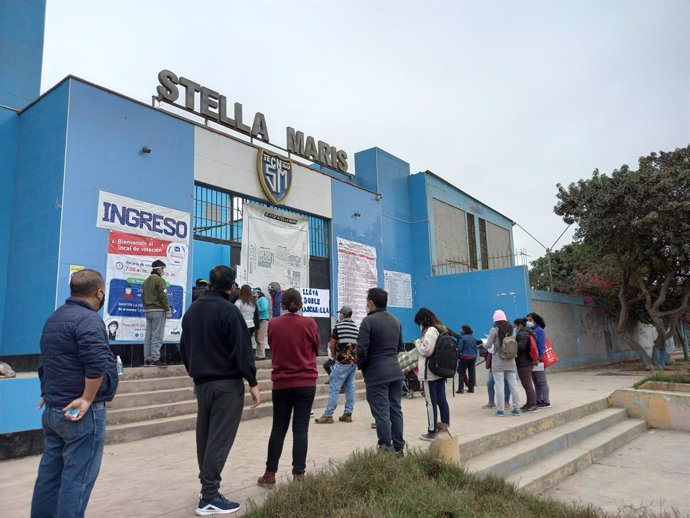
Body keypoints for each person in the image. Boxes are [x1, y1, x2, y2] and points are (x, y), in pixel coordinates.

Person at [31, 269, 119, 518]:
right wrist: (88, 398)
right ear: (99, 292)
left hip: (54, 408)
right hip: (81, 414)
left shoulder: (55, 318)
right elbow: (96, 363)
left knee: (50, 476)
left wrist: (48, 390)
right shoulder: (89, 320)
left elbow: (48, 359)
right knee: (76, 480)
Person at [180, 265, 260, 516]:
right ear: (232, 287)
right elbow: (242, 350)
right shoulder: (229, 311)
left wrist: (194, 372)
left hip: (202, 383)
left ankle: (207, 490)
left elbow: (184, 347)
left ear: (210, 284)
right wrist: (253, 381)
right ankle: (210, 496)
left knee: (204, 437)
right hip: (226, 384)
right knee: (219, 438)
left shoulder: (192, 311)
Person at [257, 288, 320, 488]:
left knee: (278, 429)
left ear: (281, 305)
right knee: (300, 430)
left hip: (282, 383)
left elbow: (273, 345)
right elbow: (316, 348)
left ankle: (269, 474)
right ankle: (298, 475)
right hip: (306, 382)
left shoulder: (273, 324)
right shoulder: (310, 323)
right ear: (301, 304)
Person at [357, 287, 405, 455]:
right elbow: (400, 347)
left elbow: (361, 350)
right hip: (395, 371)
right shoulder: (396, 321)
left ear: (371, 302)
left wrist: (362, 367)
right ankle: (399, 448)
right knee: (395, 410)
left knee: (381, 414)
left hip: (377, 373)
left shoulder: (367, 322)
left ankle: (386, 449)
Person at [315, 306, 359, 424]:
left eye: (340, 314)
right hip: (353, 363)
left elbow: (332, 345)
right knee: (350, 387)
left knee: (334, 388)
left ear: (342, 315)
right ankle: (348, 414)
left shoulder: (338, 327)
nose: (339, 315)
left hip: (341, 362)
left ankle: (328, 415)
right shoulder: (356, 328)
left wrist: (334, 357)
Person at [414, 308, 451, 441]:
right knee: (442, 400)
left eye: (419, 322)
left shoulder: (430, 331)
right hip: (439, 371)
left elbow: (426, 350)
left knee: (430, 402)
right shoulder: (440, 329)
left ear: (423, 320)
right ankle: (446, 427)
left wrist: (417, 342)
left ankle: (432, 431)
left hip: (430, 373)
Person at [486, 309, 521, 416]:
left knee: (499, 386)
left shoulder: (494, 330)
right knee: (513, 385)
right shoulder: (512, 330)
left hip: (498, 362)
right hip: (510, 360)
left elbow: (488, 345)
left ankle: (500, 410)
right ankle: (516, 409)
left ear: (495, 320)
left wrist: (483, 345)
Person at [142, 259, 170, 367]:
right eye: (162, 269)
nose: (163, 271)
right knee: (157, 335)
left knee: (148, 335)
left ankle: (147, 360)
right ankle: (155, 359)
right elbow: (163, 296)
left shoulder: (146, 281)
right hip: (158, 311)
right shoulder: (160, 280)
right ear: (158, 269)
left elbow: (143, 296)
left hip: (148, 311)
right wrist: (167, 310)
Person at [527, 312, 552, 408]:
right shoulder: (531, 331)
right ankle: (539, 399)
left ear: (535, 321)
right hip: (533, 360)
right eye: (528, 320)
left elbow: (541, 346)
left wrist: (538, 358)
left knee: (541, 381)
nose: (529, 322)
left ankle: (546, 401)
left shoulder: (539, 331)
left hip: (539, 360)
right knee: (536, 381)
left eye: (530, 320)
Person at [514, 318, 539, 412]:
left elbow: (521, 347)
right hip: (527, 361)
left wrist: (513, 344)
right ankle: (529, 403)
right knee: (526, 384)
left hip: (524, 362)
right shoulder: (528, 332)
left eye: (515, 325)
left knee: (527, 384)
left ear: (519, 325)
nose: (514, 327)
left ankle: (532, 404)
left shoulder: (522, 334)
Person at [456, 324, 477, 394]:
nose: (460, 330)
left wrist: (458, 357)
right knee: (471, 373)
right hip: (472, 357)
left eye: (461, 329)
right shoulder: (473, 338)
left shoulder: (462, 338)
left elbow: (459, 349)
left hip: (464, 358)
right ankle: (471, 388)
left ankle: (461, 388)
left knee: (461, 372)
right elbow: (475, 348)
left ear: (464, 330)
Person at [254, 288, 270, 360]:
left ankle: (261, 355)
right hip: (258, 320)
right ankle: (258, 354)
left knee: (260, 338)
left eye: (255, 292)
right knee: (257, 338)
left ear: (259, 293)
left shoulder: (263, 299)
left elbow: (264, 308)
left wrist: (255, 309)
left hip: (263, 320)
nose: (254, 294)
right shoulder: (257, 299)